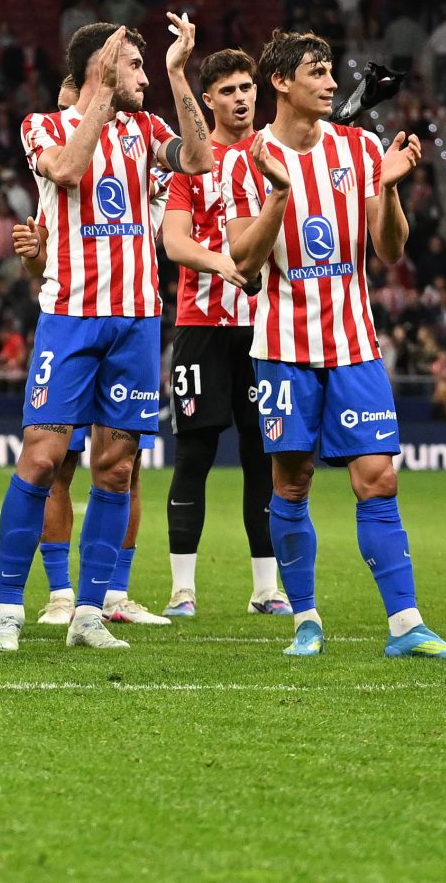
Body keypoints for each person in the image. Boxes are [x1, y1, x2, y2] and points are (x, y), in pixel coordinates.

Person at [221, 30, 446, 660]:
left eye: (334, 72)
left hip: (354, 344)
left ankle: (406, 624)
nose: (334, 83)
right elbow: (243, 262)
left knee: (379, 479)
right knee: (293, 483)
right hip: (281, 347)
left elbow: (389, 250)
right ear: (281, 82)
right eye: (319, 72)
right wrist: (279, 193)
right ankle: (305, 618)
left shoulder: (359, 147)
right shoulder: (244, 160)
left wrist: (388, 188)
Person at [0, 14, 213, 652]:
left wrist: (175, 72)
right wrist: (103, 95)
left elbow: (198, 158)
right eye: (136, 65)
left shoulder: (148, 131)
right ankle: (7, 611)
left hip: (137, 322)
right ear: (104, 68)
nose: (144, 77)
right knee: (42, 457)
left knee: (116, 470)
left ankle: (88, 615)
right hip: (70, 319)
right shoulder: (44, 125)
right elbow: (65, 171)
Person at [157, 48, 287, 617]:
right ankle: (182, 588)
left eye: (247, 87)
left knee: (265, 456)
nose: (241, 97)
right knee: (195, 454)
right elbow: (174, 240)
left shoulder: (278, 155)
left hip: (265, 328)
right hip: (202, 325)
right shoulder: (193, 163)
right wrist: (220, 265)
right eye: (229, 90)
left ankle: (267, 590)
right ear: (206, 100)